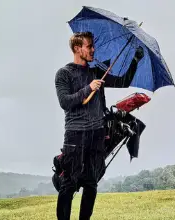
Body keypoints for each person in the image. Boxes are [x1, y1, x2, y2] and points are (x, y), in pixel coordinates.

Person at [53, 31, 141, 220]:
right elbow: (65, 102)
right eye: (89, 46)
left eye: (93, 46)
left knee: (91, 184)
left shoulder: (96, 72)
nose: (93, 49)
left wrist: (135, 59)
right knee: (68, 183)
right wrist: (88, 88)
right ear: (77, 48)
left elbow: (122, 81)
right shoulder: (64, 73)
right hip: (75, 135)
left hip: (97, 134)